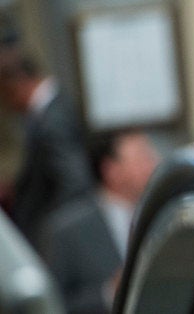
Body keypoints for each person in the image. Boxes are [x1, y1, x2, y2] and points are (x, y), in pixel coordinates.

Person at [39, 128, 160, 314]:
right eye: (142, 158)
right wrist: (109, 293)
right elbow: (51, 303)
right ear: (111, 170)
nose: (154, 163)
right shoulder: (67, 230)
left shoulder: (163, 217)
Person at [0, 37, 93, 246]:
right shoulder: (48, 114)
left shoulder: (53, 120)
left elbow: (74, 183)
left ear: (14, 85)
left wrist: (54, 236)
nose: (5, 105)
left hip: (55, 241)